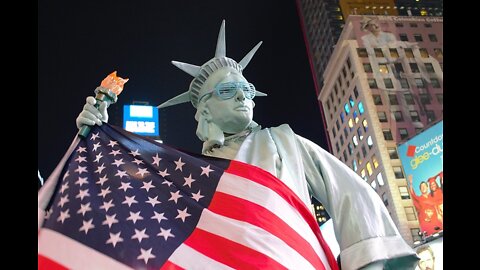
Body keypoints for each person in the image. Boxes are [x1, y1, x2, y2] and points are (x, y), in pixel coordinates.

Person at [73, 20, 418, 269]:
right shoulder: (189, 172)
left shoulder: (284, 143)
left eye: (247, 89)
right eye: (227, 91)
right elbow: (126, 203)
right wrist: (93, 132)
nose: (242, 96)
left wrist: (368, 259)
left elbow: (351, 193)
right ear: (204, 108)